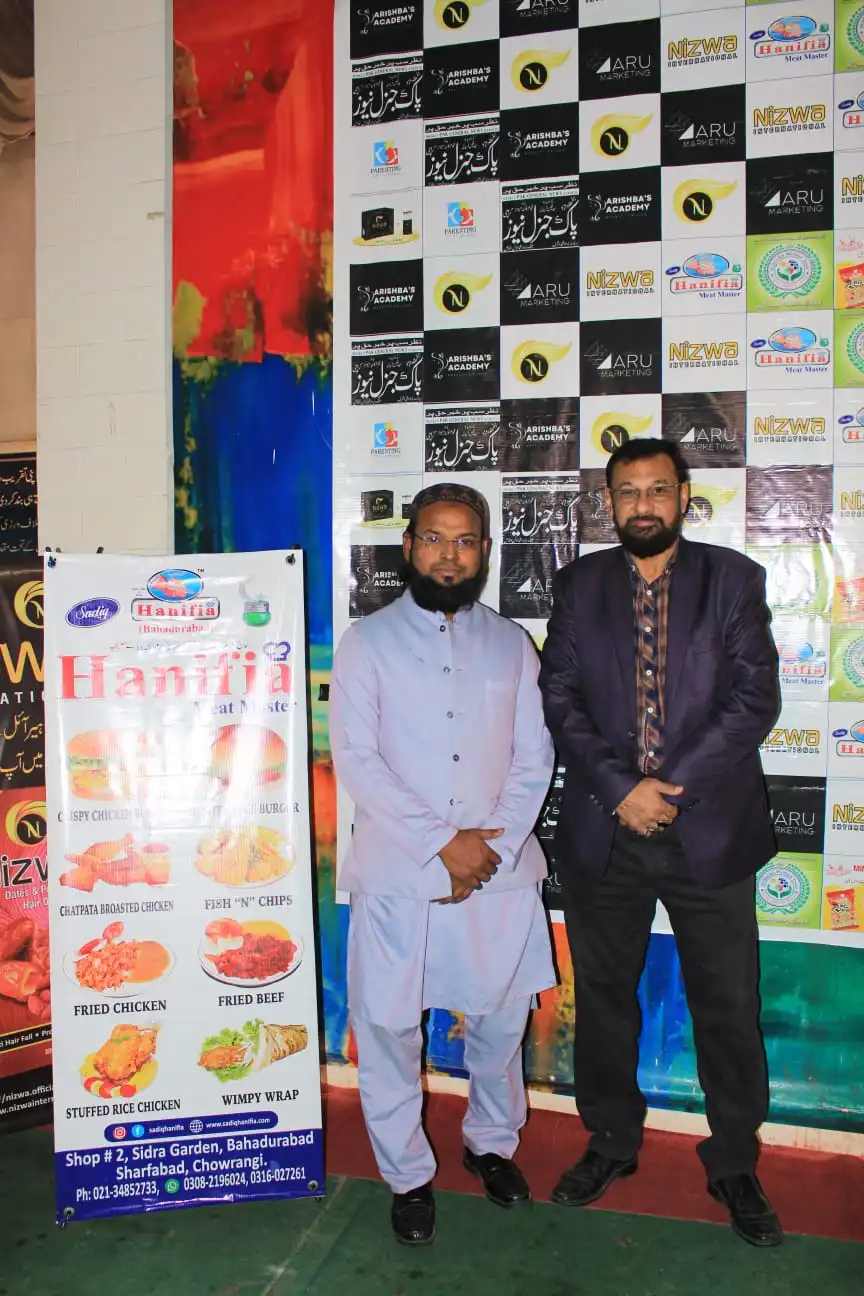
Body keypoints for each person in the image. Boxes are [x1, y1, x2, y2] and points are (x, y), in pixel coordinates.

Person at [539, 437, 783, 1248]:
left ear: (683, 496)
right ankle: (610, 1139)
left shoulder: (733, 580)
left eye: (657, 489)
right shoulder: (578, 587)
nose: (642, 504)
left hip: (707, 831)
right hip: (605, 832)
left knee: (728, 1004)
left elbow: (754, 700)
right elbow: (560, 698)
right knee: (605, 999)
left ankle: (734, 1158)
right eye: (627, 491)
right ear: (608, 502)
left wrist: (665, 791)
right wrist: (622, 790)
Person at [330, 482, 556, 1246]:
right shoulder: (366, 642)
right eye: (433, 538)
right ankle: (407, 1176)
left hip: (499, 871)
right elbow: (357, 759)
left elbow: (534, 756)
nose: (448, 555)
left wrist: (489, 848)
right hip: (399, 874)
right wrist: (441, 843)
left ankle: (491, 1144)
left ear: (485, 551)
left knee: (499, 1022)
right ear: (408, 546)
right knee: (389, 1029)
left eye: (464, 541)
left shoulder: (511, 644)